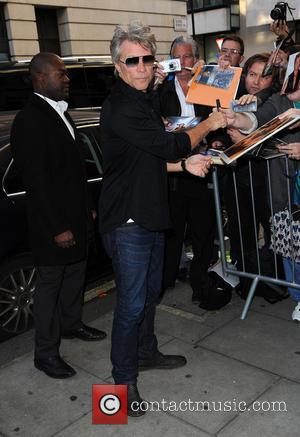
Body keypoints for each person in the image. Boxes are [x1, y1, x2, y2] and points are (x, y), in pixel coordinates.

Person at [98, 22, 227, 417]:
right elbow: (168, 142)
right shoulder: (121, 106)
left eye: (146, 59)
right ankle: (122, 383)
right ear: (117, 66)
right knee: (132, 304)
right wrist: (208, 124)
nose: (140, 67)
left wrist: (185, 164)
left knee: (150, 294)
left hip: (151, 213)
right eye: (131, 61)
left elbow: (151, 159)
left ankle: (147, 352)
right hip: (127, 221)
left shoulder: (142, 100)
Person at [10, 52, 106, 380]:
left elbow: (72, 171)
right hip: (54, 226)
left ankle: (71, 324)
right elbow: (36, 183)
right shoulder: (30, 120)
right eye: (60, 74)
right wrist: (58, 227)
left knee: (75, 276)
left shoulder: (61, 113)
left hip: (75, 216)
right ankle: (45, 353)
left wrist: (85, 208)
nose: (67, 79)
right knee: (50, 286)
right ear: (40, 78)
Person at [220, 77, 300, 318]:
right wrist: (239, 120)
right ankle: (298, 298)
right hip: (285, 190)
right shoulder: (278, 100)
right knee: (290, 242)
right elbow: (258, 120)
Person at [157, 36, 216, 305]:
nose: (183, 62)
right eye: (177, 57)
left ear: (195, 59)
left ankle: (200, 282)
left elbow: (219, 119)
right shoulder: (159, 90)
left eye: (188, 56)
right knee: (172, 232)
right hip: (172, 172)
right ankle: (165, 281)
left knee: (204, 230)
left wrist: (215, 141)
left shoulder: (204, 86)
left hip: (201, 166)